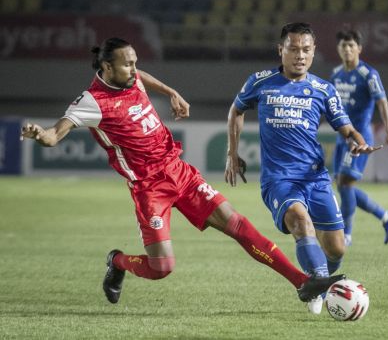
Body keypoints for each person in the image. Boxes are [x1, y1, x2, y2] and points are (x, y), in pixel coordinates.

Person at [20, 37, 343, 307]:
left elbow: (143, 76)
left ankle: (303, 283)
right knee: (162, 267)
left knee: (238, 226)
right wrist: (40, 134)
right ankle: (117, 261)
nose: (134, 69)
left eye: (134, 62)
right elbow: (55, 135)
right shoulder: (92, 102)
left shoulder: (130, 77)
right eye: (127, 64)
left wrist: (171, 92)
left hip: (179, 172)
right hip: (149, 188)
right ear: (106, 68)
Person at [225, 23, 379, 314]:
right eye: (293, 49)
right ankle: (319, 285)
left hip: (316, 178)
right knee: (299, 221)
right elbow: (237, 110)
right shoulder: (261, 81)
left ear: (314, 52)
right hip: (279, 179)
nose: (300, 55)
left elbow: (346, 128)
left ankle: (321, 278)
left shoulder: (323, 89)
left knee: (336, 248)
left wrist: (358, 141)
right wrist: (232, 153)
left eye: (306, 50)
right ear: (280, 50)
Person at [330, 29, 388, 247]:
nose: (347, 49)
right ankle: (386, 216)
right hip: (342, 139)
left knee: (345, 183)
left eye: (351, 45)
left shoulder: (368, 74)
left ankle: (347, 235)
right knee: (343, 186)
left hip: (359, 139)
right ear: (338, 49)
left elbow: (382, 103)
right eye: (343, 46)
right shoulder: (336, 74)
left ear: (359, 48)